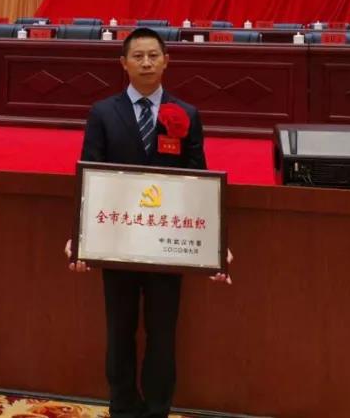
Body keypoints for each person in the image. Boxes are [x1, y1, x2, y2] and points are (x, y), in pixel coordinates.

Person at [65, 27, 231, 418]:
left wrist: (216, 243)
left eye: (153, 56)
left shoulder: (187, 114)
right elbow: (91, 177)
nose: (146, 63)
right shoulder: (102, 113)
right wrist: (79, 237)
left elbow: (197, 182)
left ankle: (158, 409)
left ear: (166, 61)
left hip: (167, 245)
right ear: (123, 63)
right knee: (119, 330)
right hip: (117, 240)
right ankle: (123, 407)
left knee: (163, 333)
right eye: (137, 56)